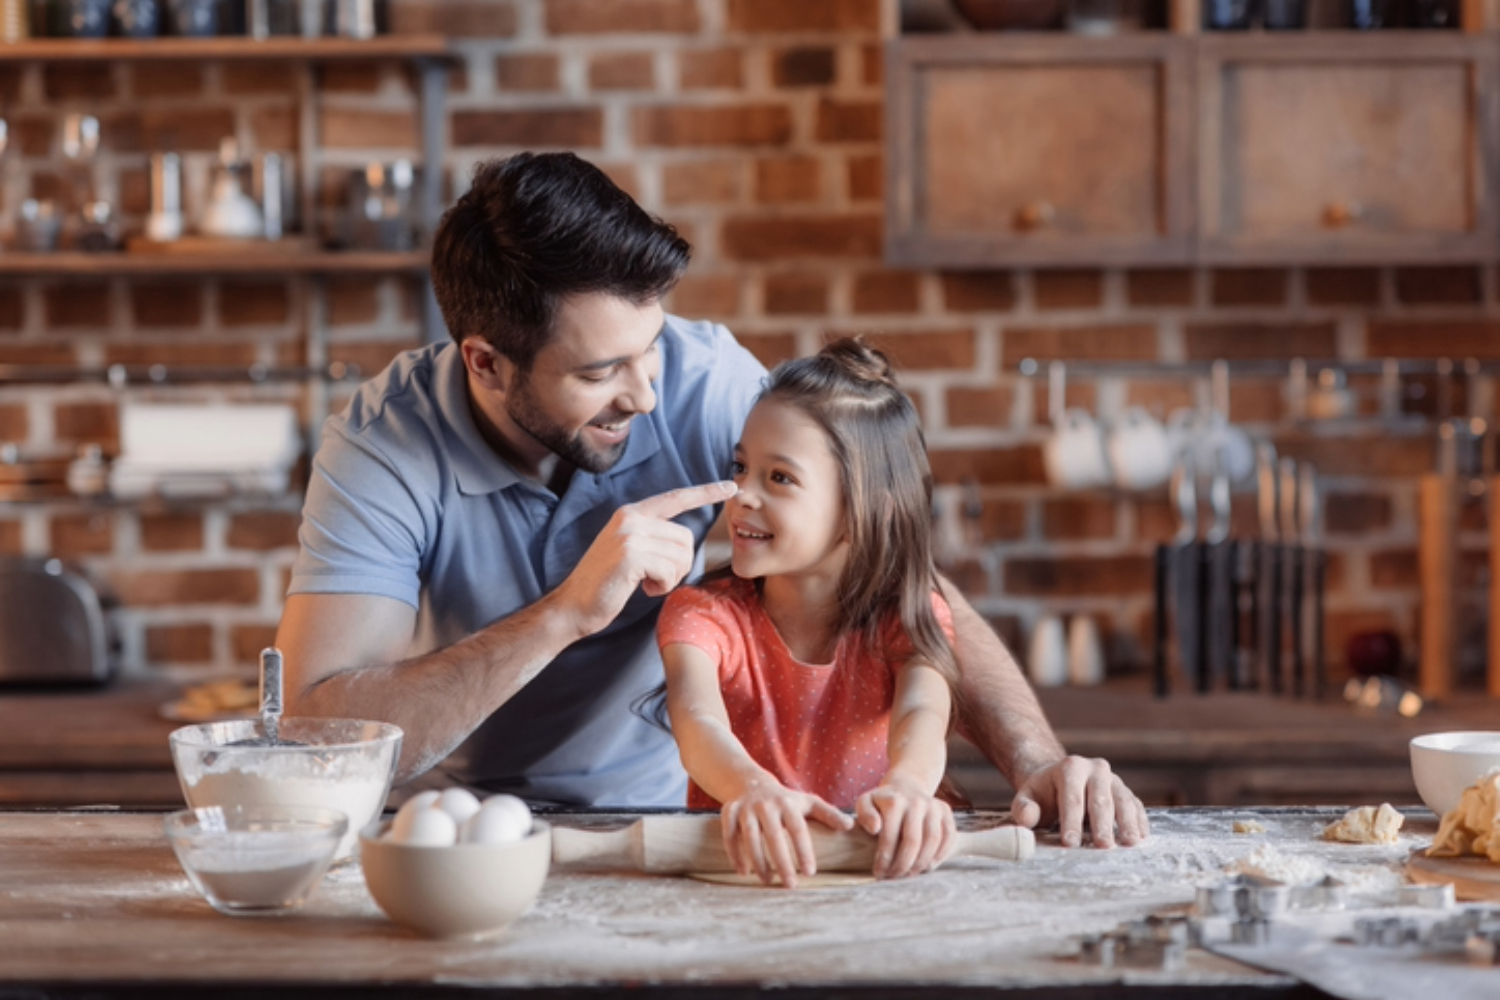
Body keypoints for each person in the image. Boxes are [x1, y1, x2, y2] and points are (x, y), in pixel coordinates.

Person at [275, 150, 1148, 849]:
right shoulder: (383, 446)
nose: (646, 395)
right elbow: (319, 735)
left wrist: (1036, 761)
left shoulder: (709, 383)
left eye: (648, 346)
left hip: (684, 827)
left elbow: (887, 571)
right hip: (469, 830)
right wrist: (567, 614)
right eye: (598, 371)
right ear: (486, 364)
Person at [658, 338, 959, 887]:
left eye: (780, 478)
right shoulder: (701, 614)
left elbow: (923, 715)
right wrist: (752, 788)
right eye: (741, 466)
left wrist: (911, 788)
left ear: (863, 510)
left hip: (878, 880)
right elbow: (697, 722)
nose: (741, 493)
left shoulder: (908, 618)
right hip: (742, 882)